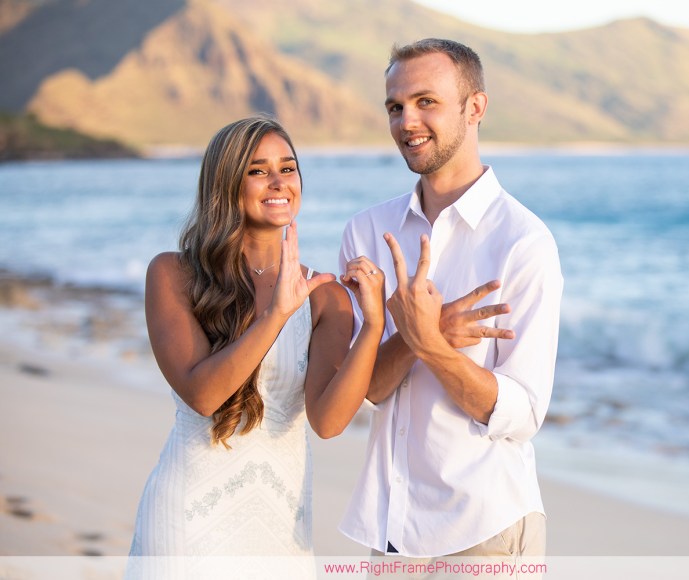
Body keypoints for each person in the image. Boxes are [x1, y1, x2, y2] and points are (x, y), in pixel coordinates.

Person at [338, 38, 563, 574]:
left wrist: (429, 345)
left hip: (484, 528)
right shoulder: (367, 231)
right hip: (392, 528)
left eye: (426, 101)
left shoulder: (523, 243)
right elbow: (365, 387)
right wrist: (426, 332)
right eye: (395, 106)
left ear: (475, 107)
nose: (406, 121)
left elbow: (522, 415)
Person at [126, 115, 385, 578]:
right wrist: (276, 315)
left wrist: (373, 325)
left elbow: (328, 422)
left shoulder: (325, 296)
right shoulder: (172, 274)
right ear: (226, 184)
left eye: (288, 168)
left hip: (282, 527)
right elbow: (203, 395)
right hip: (188, 520)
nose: (278, 182)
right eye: (257, 170)